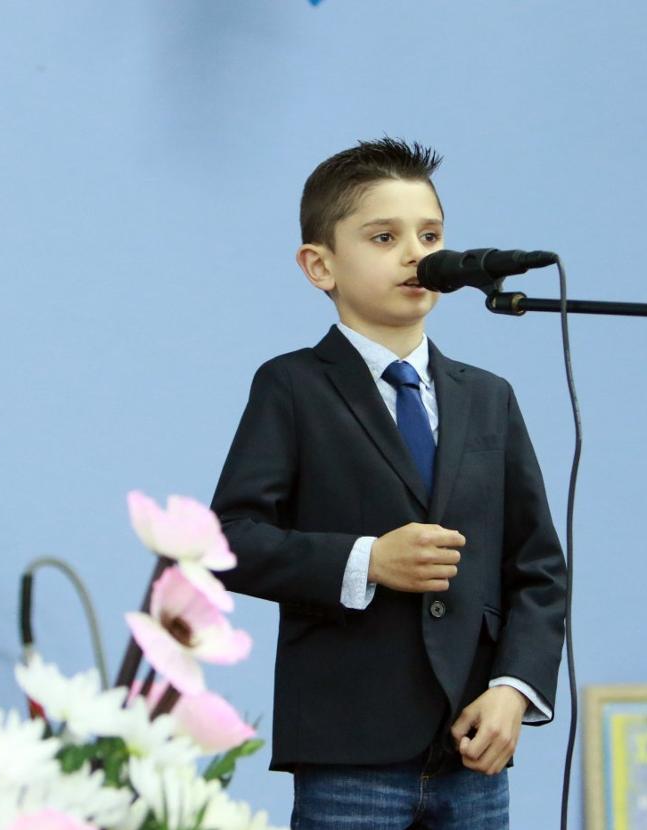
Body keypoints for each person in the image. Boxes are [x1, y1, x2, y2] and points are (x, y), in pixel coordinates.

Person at [211, 138, 567, 829]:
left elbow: (538, 568)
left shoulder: (488, 398)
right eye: (384, 236)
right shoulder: (292, 387)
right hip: (349, 751)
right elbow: (229, 539)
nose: (416, 254)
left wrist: (514, 691)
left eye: (430, 235)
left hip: (471, 747)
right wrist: (367, 560)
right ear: (320, 265)